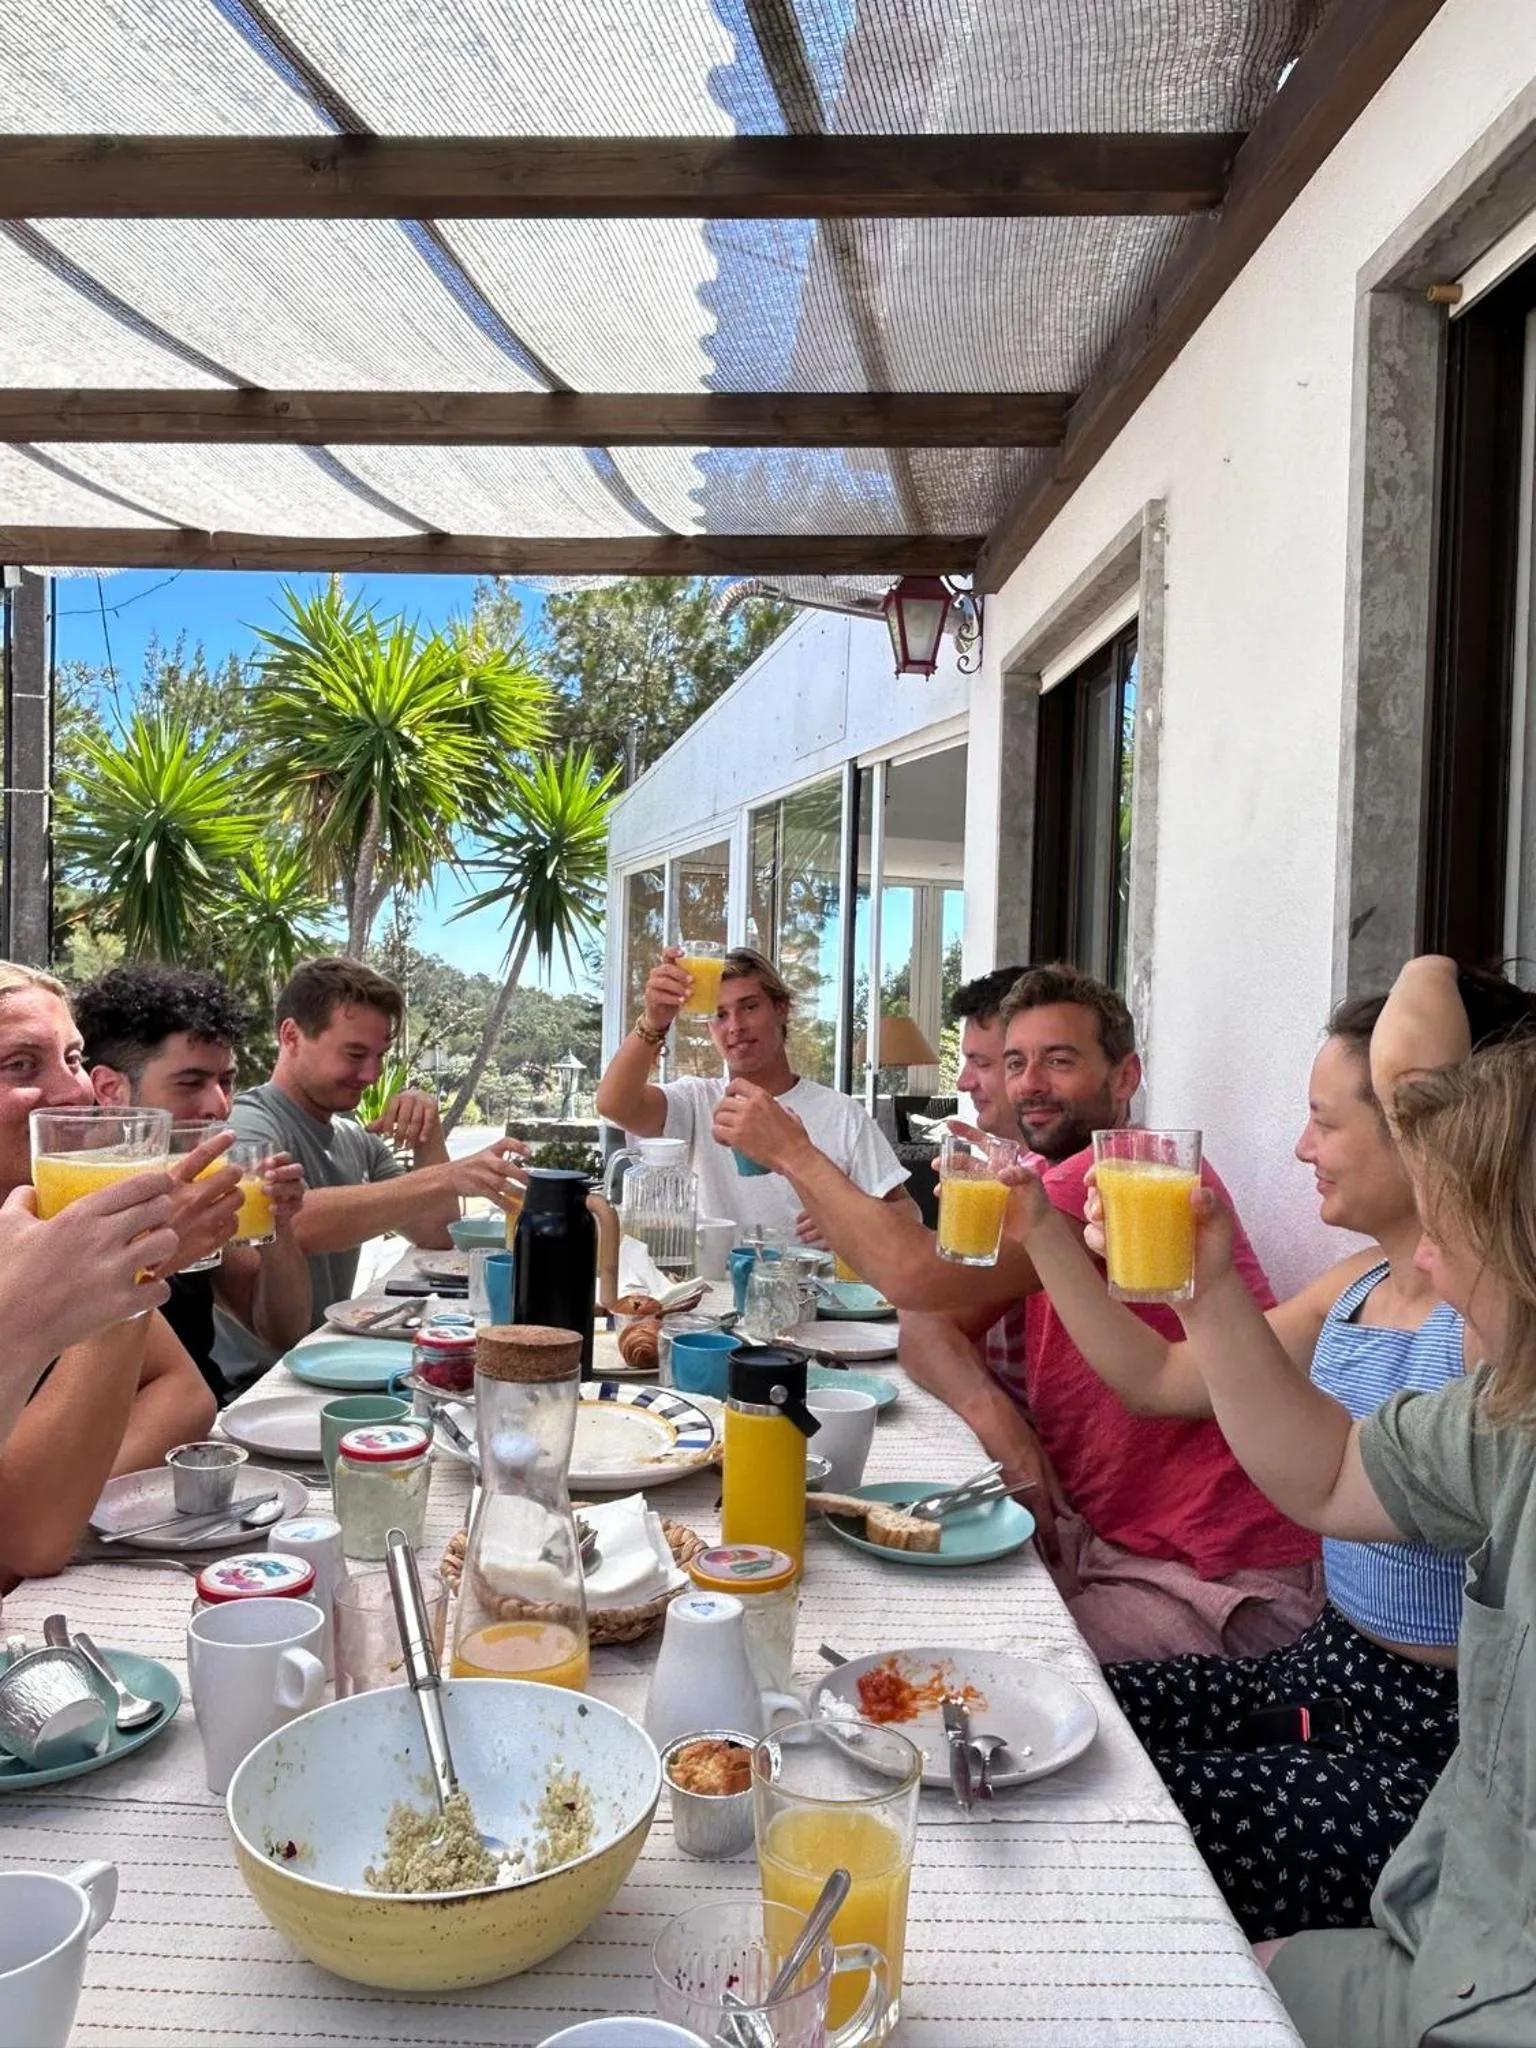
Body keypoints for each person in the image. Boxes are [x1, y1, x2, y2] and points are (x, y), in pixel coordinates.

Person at [1000, 993, 1476, 1940]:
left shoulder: (1494, 1331)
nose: (1302, 1148)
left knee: (1106, 1816)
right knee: (1046, 1718)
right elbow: (1162, 1379)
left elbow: (1331, 1478)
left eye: (1326, 1122)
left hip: (1432, 1737)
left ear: (1426, 1133)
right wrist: (1044, 1234)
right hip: (1331, 1666)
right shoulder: (1358, 1285)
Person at [715, 962, 1321, 1661]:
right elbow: (929, 1318)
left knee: (955, 1662)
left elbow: (915, 1278)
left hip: (1219, 1575)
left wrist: (794, 1153)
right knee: (890, 1619)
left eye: (1059, 1062)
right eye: (1013, 1063)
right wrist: (994, 1417)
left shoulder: (1120, 1180)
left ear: (1123, 1078)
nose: (1026, 1083)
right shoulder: (1038, 1186)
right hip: (1116, 1544)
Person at [1147, 959, 1536, 2045]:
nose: (1430, 1253)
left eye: (1455, 1208)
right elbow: (1323, 1472)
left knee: (1134, 1817)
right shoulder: (1503, 1418)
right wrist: (1207, 1285)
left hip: (1430, 1809)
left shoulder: (1486, 1367)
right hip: (1393, 1793)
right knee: (1101, 1728)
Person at [0, 962, 235, 1587]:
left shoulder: (51, 1219)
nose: (75, 1093)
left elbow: (187, 1396)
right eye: (20, 1065)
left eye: (73, 1059)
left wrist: (63, 1488)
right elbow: (32, 1540)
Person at [218, 958, 529, 1374]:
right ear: (291, 1036)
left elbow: (435, 1234)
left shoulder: (355, 1139)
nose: (371, 1073)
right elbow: (290, 1221)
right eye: (354, 1053)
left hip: (331, 1360)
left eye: (379, 1055)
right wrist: (445, 1177)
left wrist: (428, 1134)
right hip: (256, 1381)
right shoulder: (249, 1126)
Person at [75, 963, 311, 1405]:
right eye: (190, 1083)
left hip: (209, 1425)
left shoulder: (194, 1181)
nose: (219, 1106)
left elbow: (282, 1330)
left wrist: (279, 1226)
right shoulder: (64, 1193)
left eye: (226, 1081)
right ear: (110, 1089)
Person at [595, 945, 909, 1242]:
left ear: (781, 1010)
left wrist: (855, 1219)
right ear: (710, 1029)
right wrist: (654, 1020)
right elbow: (614, 1105)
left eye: (749, 1007)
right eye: (720, 1015)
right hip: (712, 1292)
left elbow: (909, 1213)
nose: (735, 1026)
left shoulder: (841, 1113)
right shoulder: (694, 1101)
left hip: (814, 1290)